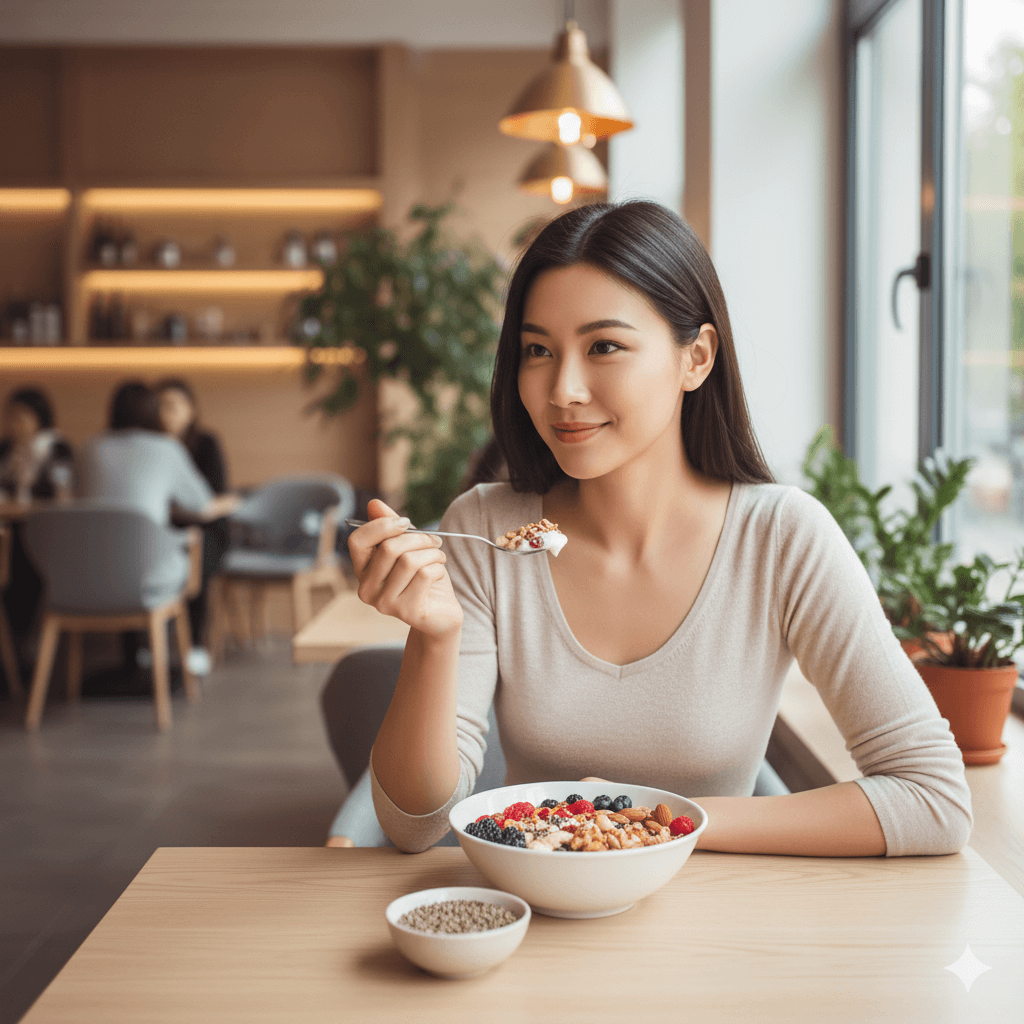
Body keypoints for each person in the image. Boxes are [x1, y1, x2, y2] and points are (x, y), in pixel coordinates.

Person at [346, 200, 973, 858]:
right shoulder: (483, 527)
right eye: (538, 350)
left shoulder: (782, 539)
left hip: (717, 917)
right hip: (538, 913)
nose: (563, 390)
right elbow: (415, 824)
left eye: (604, 347)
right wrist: (435, 637)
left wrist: (656, 821)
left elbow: (933, 798)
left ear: (695, 358)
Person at [80, 381, 239, 675]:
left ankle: (138, 654)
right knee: (186, 549)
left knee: (124, 546)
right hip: (147, 575)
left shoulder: (88, 448)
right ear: (152, 412)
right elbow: (202, 505)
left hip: (85, 577)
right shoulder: (166, 448)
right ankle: (188, 647)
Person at [155, 378, 231, 675]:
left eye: (173, 405)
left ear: (191, 409)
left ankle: (196, 644)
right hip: (164, 528)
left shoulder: (206, 442)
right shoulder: (151, 444)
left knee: (195, 558)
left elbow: (213, 497)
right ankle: (149, 645)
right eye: (161, 406)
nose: (167, 413)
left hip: (206, 527)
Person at [0, 387, 74, 645]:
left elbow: (61, 493)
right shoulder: (6, 449)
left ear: (39, 417)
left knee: (21, 560)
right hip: (8, 526)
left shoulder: (57, 448)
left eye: (22, 417)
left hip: (44, 530)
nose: (15, 424)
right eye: (10, 416)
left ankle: (19, 640)